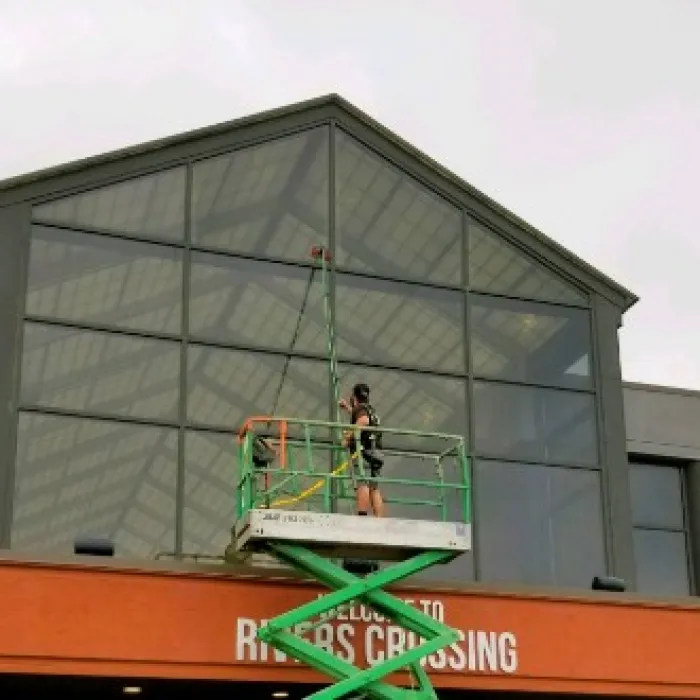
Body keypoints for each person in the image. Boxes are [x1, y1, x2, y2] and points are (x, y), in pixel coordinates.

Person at [339, 382, 385, 518]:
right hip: (377, 452)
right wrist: (348, 409)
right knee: (374, 488)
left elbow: (363, 421)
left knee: (362, 483)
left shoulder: (360, 410)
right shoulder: (371, 410)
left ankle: (362, 517)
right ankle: (379, 520)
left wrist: (348, 437)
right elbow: (365, 418)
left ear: (354, 397)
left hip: (364, 452)